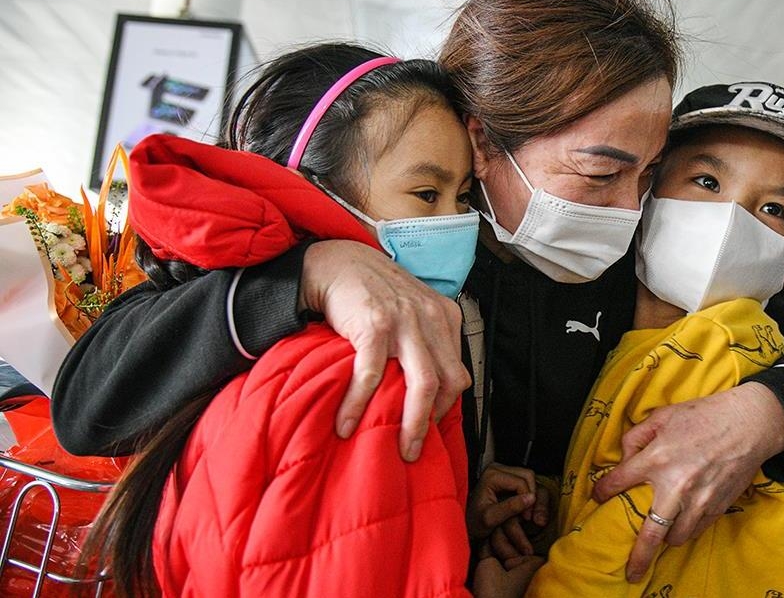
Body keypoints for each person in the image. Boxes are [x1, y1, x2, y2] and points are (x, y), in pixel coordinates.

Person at [52, 0, 784, 581]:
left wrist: (762, 414)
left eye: (649, 170)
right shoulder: (414, 245)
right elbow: (92, 403)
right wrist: (313, 271)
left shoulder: (650, 257)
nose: (629, 206)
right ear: (484, 145)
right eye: (599, 171)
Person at [82, 46, 535, 596]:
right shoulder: (366, 366)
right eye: (425, 194)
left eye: (462, 197)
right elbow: (84, 407)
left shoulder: (369, 331)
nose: (455, 224)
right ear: (313, 188)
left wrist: (446, 512)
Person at [525, 81, 784, 596]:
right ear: (645, 191)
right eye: (706, 181)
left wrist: (766, 411)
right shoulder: (574, 275)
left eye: (774, 209)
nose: (731, 219)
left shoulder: (730, 339)